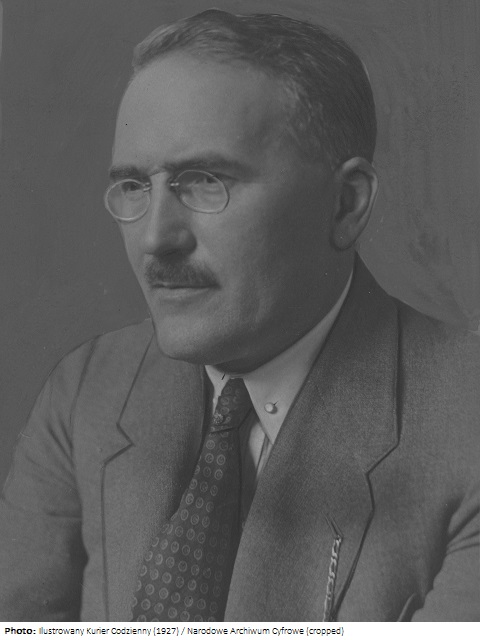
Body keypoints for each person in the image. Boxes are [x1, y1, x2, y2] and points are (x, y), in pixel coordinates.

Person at [0, 9, 478, 623]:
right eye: (135, 187)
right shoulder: (88, 390)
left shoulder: (466, 425)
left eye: (205, 181)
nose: (156, 239)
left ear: (345, 204)